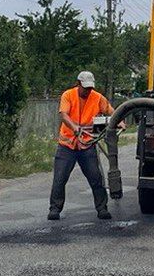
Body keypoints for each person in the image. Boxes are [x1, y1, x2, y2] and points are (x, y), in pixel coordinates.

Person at [48, 71, 123, 220]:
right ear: (78, 84)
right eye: (85, 88)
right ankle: (54, 209)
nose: (88, 91)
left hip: (87, 144)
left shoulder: (97, 98)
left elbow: (111, 112)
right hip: (67, 145)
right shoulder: (68, 95)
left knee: (96, 177)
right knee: (60, 178)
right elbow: (64, 115)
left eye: (90, 88)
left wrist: (119, 121)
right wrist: (74, 127)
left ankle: (102, 209)